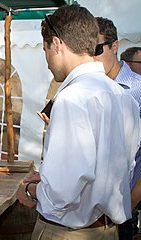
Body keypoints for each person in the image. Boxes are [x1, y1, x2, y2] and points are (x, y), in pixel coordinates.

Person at [17, 4, 140, 240]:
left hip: (67, 233)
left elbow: (61, 194)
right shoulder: (125, 99)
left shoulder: (71, 99)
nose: (46, 61)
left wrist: (30, 190)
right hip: (107, 230)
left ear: (56, 44)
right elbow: (117, 171)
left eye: (45, 50)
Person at [95, 17, 141, 240]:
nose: (91, 57)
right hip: (91, 214)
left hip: (120, 215)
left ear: (115, 46)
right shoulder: (91, 88)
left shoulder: (138, 91)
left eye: (97, 49)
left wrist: (126, 208)